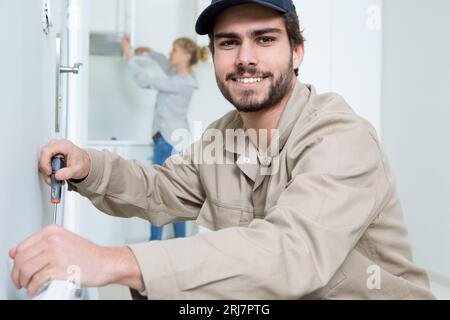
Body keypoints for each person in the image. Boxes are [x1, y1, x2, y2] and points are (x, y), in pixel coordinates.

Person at [10, 0, 435, 299]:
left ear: (297, 52)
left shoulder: (341, 136)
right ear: (213, 55)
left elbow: (293, 252)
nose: (245, 58)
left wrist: (113, 261)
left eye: (264, 39)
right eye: (229, 43)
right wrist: (89, 167)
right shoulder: (221, 137)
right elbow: (160, 188)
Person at [120, 36, 209, 241]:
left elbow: (144, 81)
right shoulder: (182, 76)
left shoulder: (180, 82)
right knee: (175, 196)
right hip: (172, 141)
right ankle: (179, 244)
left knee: (159, 195)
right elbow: (163, 61)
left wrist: (130, 57)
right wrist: (149, 51)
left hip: (169, 142)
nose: (170, 54)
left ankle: (156, 244)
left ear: (186, 56)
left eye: (175, 50)